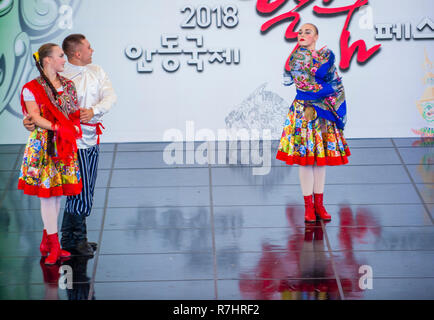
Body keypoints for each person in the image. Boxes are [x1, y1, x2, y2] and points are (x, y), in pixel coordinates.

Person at [24, 34, 117, 255]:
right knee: (75, 190)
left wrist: (94, 110)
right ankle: (72, 238)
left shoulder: (97, 71)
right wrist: (30, 119)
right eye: (88, 47)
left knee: (85, 188)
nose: (92, 51)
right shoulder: (60, 77)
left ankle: (72, 236)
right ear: (77, 52)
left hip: (89, 139)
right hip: (67, 142)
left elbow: (110, 95)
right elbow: (41, 105)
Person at [276, 23, 351, 223]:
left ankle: (320, 204)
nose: (302, 34)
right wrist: (325, 88)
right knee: (306, 159)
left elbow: (335, 83)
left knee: (320, 159)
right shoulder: (296, 58)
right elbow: (303, 84)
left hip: (324, 112)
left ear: (316, 36)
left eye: (307, 32)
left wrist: (328, 91)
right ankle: (308, 207)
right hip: (303, 111)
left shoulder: (326, 57)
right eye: (300, 32)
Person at [18, 43, 83, 265]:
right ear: (47, 60)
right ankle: (54, 245)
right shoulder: (31, 88)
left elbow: (73, 113)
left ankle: (47, 241)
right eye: (61, 56)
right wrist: (58, 128)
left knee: (56, 193)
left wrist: (73, 126)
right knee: (48, 193)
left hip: (63, 144)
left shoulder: (69, 85)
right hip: (45, 144)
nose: (65, 59)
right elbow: (34, 116)